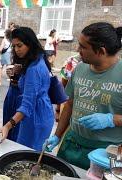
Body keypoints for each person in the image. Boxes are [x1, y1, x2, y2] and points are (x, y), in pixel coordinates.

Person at [45, 22, 122, 170]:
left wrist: (112, 119)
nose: (77, 50)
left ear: (101, 51)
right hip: (72, 144)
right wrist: (57, 135)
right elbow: (70, 104)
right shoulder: (80, 68)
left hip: (108, 153)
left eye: (83, 47)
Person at [1, 27, 54, 151]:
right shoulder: (38, 58)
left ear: (29, 43)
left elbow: (27, 106)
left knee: (26, 154)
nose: (16, 50)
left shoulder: (33, 69)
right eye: (14, 46)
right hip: (43, 112)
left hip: (35, 118)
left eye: (19, 45)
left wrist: (8, 126)